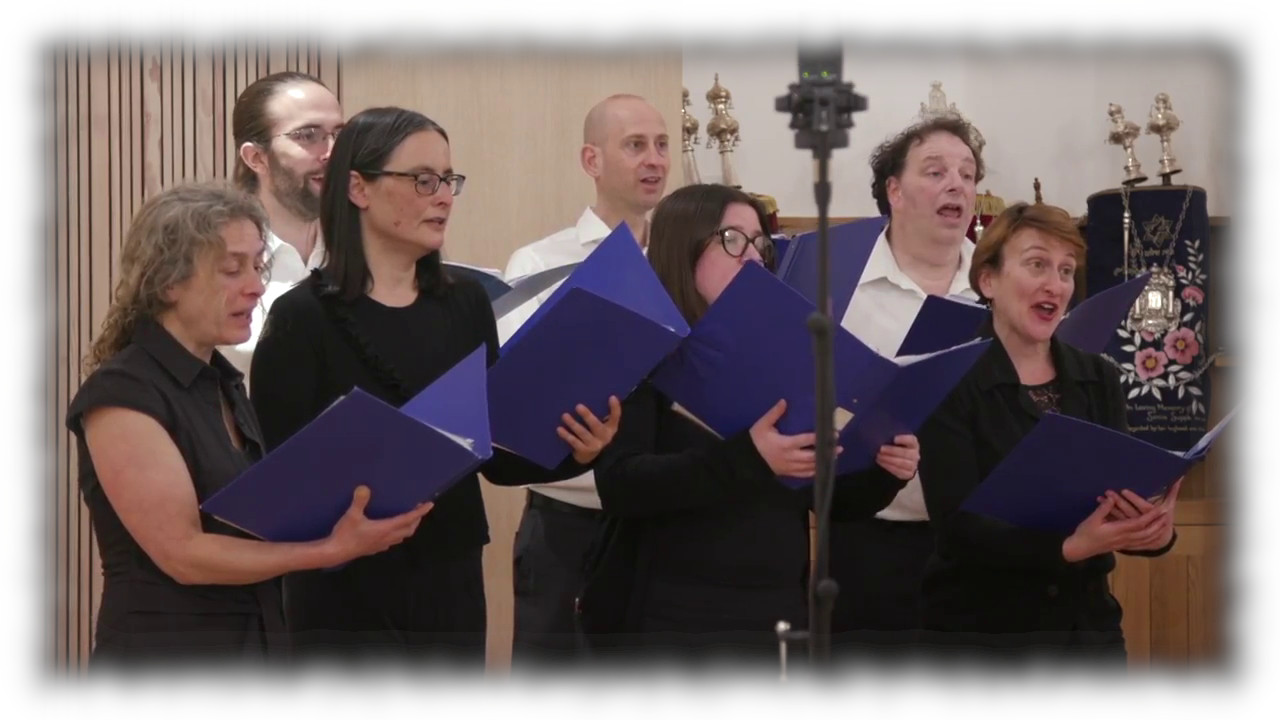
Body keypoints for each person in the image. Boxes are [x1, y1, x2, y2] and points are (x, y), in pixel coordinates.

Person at [249, 106, 622, 667]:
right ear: (359, 187)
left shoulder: (466, 303)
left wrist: (577, 449)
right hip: (343, 585)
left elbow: (492, 454)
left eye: (449, 180)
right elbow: (281, 478)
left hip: (448, 569)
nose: (443, 196)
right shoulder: (302, 316)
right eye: (423, 180)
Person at [64, 181, 433, 668]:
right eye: (231, 268)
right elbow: (184, 554)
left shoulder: (223, 382)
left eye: (257, 265)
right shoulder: (122, 391)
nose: (256, 285)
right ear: (167, 281)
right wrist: (327, 550)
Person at [583, 183, 921, 668]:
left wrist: (887, 470)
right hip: (668, 618)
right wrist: (749, 457)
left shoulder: (784, 357)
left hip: (771, 615)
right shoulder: (642, 351)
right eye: (733, 240)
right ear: (684, 248)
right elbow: (622, 484)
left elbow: (823, 497)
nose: (754, 258)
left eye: (760, 243)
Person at [916, 202, 1179, 664]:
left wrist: (1151, 533)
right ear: (988, 280)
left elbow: (1114, 501)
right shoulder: (949, 380)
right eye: (1036, 264)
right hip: (985, 641)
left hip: (1087, 634)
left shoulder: (1099, 377)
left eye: (1065, 270)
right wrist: (1069, 547)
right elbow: (957, 530)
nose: (1055, 284)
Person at [498, 94, 670, 664]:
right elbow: (523, 393)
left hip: (660, 516)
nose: (655, 160)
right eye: (636, 145)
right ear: (591, 160)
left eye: (662, 145)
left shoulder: (680, 261)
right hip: (568, 518)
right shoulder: (539, 263)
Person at [829, 115, 986, 653]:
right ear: (893, 190)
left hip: (978, 546)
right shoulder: (840, 283)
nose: (957, 185)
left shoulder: (998, 285)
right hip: (870, 539)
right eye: (936, 171)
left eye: (967, 175)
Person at [220, 71, 344, 384]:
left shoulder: (368, 250)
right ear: (256, 157)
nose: (332, 152)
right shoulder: (213, 262)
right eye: (308, 135)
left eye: (340, 134)